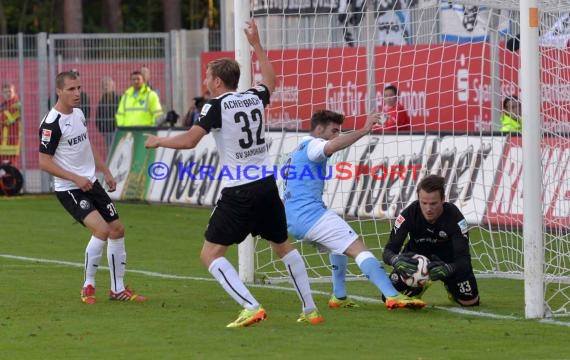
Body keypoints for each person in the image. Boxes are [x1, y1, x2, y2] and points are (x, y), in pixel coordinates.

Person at [143, 19, 323, 328]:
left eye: (207, 76)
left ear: (216, 82)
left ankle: (250, 306)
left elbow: (189, 141)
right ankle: (310, 310)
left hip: (240, 190)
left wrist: (159, 140)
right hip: (267, 185)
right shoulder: (253, 98)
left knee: (210, 254)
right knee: (282, 245)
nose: (205, 79)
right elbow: (271, 81)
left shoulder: (214, 106)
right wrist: (256, 45)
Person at [283, 109, 426, 310]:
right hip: (310, 216)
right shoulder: (314, 145)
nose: (336, 135)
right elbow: (331, 145)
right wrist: (364, 130)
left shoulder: (296, 150)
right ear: (319, 128)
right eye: (334, 130)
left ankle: (339, 296)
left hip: (294, 219)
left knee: (337, 246)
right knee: (357, 248)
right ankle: (393, 295)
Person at [39, 71, 145, 305]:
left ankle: (117, 289)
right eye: (71, 89)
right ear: (59, 91)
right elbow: (43, 162)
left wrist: (105, 170)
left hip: (91, 182)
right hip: (69, 187)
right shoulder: (51, 124)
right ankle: (88, 285)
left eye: (78, 88)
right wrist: (75, 178)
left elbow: (86, 144)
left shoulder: (78, 114)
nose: (77, 93)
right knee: (101, 230)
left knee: (117, 229)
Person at [382, 174, 480, 307]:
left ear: (443, 199)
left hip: (447, 263)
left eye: (433, 203)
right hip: (415, 262)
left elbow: (464, 260)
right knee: (388, 297)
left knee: (470, 302)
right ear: (419, 199)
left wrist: (449, 268)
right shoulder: (408, 214)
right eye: (424, 203)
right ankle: (419, 284)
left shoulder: (456, 219)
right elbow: (388, 251)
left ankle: (451, 288)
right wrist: (396, 260)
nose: (428, 209)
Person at [95, 76, 120, 148]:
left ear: (113, 86)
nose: (106, 87)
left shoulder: (119, 99)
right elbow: (98, 118)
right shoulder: (102, 102)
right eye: (104, 85)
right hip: (108, 132)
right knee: (110, 151)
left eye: (107, 85)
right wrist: (103, 130)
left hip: (118, 131)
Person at [0, 82, 21, 165]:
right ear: (2, 93)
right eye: (5, 92)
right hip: (3, 140)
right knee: (3, 167)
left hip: (12, 140)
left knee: (10, 166)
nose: (8, 94)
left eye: (10, 91)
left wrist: (3, 112)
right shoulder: (3, 105)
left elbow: (7, 119)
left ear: (14, 92)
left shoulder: (18, 105)